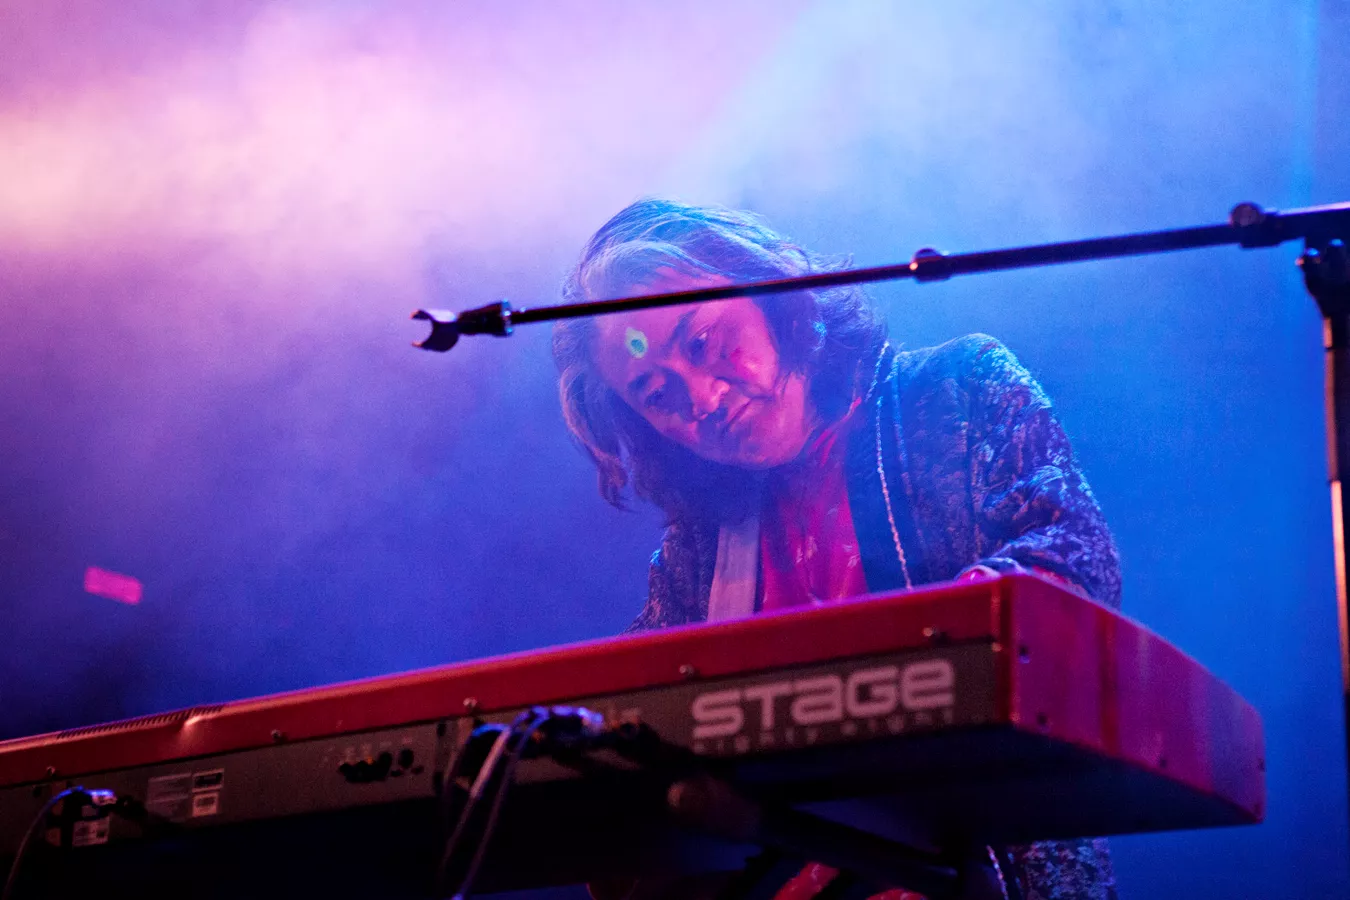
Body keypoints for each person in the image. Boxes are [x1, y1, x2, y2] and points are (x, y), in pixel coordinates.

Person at [553, 198, 1121, 900]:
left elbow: (1073, 554)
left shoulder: (953, 389)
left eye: (700, 342)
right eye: (655, 392)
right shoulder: (699, 546)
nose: (698, 396)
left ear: (768, 292)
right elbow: (636, 715)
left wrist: (934, 652)